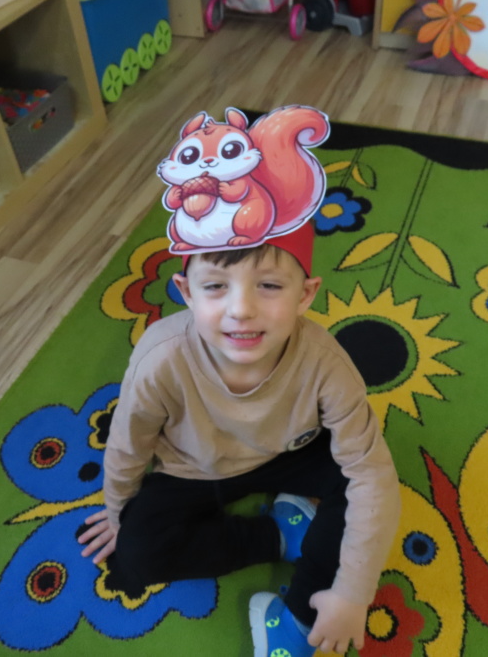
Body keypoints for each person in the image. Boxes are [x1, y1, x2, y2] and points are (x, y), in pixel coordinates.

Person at [77, 221, 401, 656]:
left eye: (269, 285)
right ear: (186, 291)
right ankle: (280, 534)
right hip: (194, 467)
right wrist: (120, 515)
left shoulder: (327, 363)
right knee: (136, 554)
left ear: (305, 294)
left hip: (291, 452)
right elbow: (127, 446)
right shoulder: (159, 358)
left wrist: (353, 593)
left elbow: (370, 474)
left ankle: (299, 620)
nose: (241, 309)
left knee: (367, 487)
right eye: (215, 286)